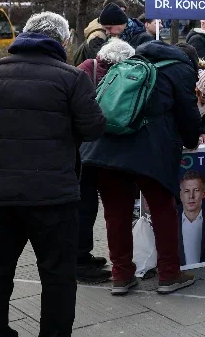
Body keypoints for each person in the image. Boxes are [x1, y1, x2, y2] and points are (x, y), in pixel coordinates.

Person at [0, 12, 106, 336]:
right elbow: (94, 127)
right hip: (54, 197)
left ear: (24, 34)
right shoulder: (72, 78)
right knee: (58, 276)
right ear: (62, 42)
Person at [82, 38, 203, 295]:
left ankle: (121, 275)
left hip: (107, 145)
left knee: (116, 213)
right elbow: (188, 114)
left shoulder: (132, 61)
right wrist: (191, 141)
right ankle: (170, 274)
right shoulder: (181, 69)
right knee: (163, 210)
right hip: (150, 149)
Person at [75, 38, 136, 283]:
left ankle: (80, 256)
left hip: (81, 152)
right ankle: (118, 267)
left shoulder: (84, 70)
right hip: (111, 153)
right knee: (116, 212)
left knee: (83, 209)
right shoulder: (125, 78)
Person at [73, 0, 128, 65]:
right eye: (120, 11)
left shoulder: (107, 30)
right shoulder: (97, 36)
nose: (123, 15)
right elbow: (101, 64)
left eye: (124, 12)